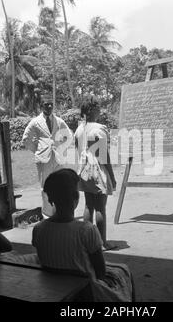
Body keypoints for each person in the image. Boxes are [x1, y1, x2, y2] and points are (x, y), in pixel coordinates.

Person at [32, 169, 134, 302]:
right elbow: (100, 273)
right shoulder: (86, 231)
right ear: (76, 198)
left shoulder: (38, 229)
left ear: (50, 199)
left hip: (51, 288)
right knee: (124, 271)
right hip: (85, 292)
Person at [75, 96, 117, 250]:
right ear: (92, 110)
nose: (100, 111)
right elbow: (104, 156)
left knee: (88, 206)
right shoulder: (99, 128)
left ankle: (87, 241)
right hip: (96, 169)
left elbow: (78, 149)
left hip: (83, 169)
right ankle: (101, 243)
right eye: (98, 108)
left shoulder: (80, 129)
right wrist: (111, 176)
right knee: (100, 207)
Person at [22, 97, 73, 217]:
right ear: (41, 106)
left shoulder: (59, 121)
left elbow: (69, 135)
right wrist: (37, 150)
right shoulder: (35, 122)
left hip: (58, 158)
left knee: (61, 185)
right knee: (45, 187)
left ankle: (60, 213)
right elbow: (26, 139)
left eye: (51, 104)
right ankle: (47, 216)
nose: (49, 107)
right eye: (46, 104)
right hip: (43, 159)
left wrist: (62, 147)